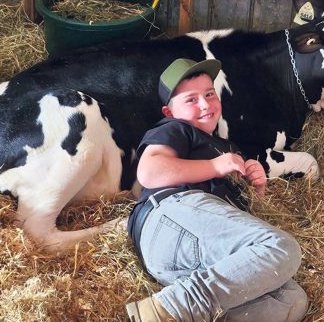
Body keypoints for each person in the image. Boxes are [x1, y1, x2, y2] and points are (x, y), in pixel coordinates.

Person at [126, 58, 308, 322]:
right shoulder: (176, 129)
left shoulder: (226, 146)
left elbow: (230, 223)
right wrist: (215, 165)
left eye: (209, 94)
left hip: (191, 262)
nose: (205, 104)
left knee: (291, 298)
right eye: (191, 99)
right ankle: (164, 311)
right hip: (170, 220)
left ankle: (181, 310)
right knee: (282, 248)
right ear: (169, 112)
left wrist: (255, 188)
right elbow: (150, 172)